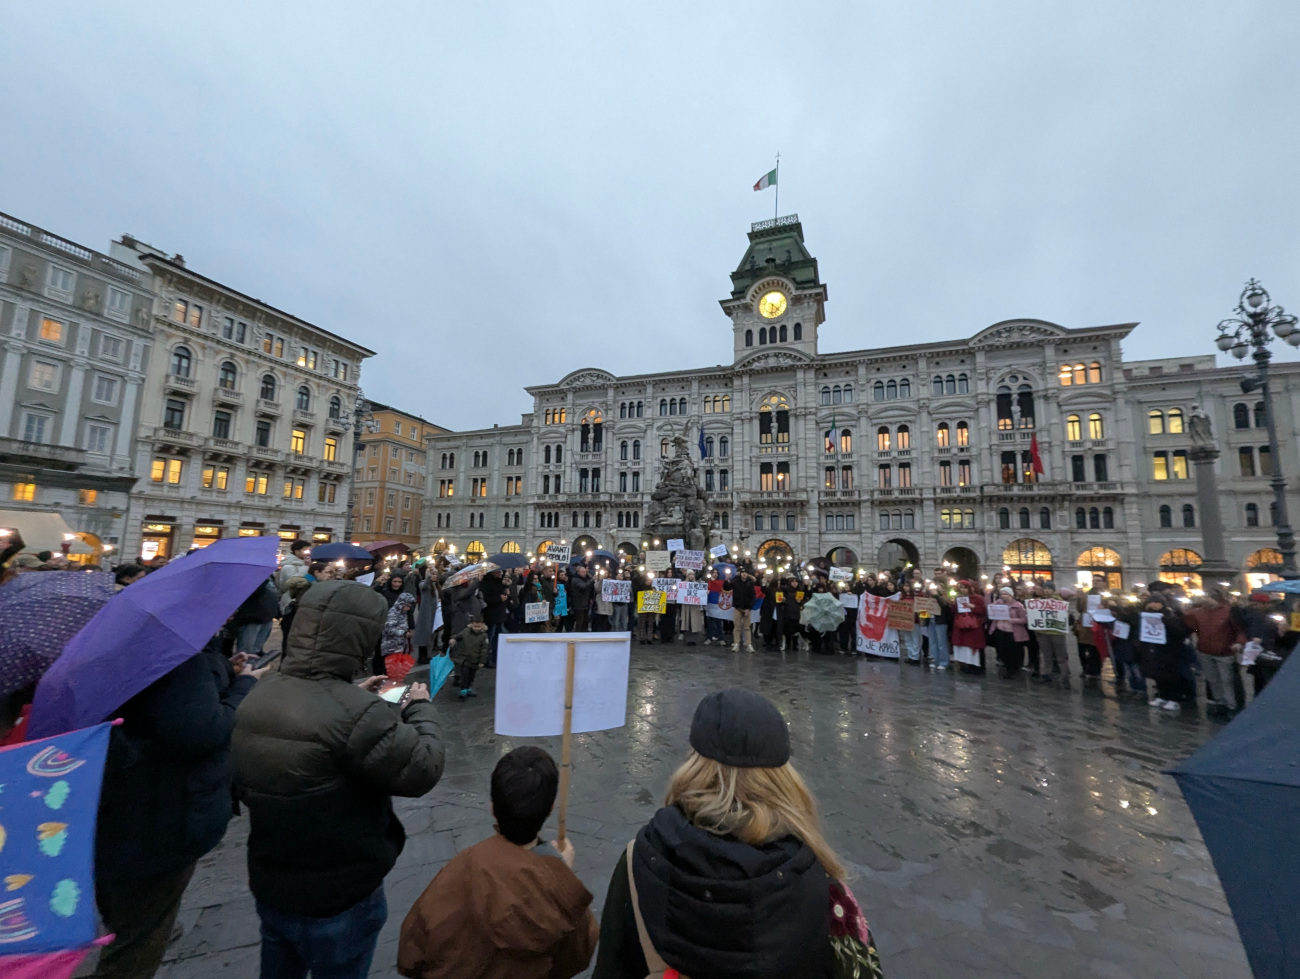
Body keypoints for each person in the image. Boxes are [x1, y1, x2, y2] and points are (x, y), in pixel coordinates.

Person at [233, 581, 445, 979]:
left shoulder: (260, 692)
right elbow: (424, 767)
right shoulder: (358, 714)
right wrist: (420, 708)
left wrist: (347, 692)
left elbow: (314, 715)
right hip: (339, 888)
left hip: (272, 880)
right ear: (358, 637)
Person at [592, 688, 882, 979]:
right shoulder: (824, 889)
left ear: (693, 761)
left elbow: (611, 967)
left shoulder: (640, 861)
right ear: (783, 774)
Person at [92, 629, 260, 979]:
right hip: (161, 812)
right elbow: (202, 730)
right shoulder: (178, 659)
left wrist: (222, 669)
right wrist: (246, 685)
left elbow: (171, 706)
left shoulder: (113, 648)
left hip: (118, 804)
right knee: (139, 937)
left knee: (131, 907)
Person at [397, 747, 598, 978]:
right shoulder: (564, 896)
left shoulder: (458, 872)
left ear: (493, 808)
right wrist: (560, 873)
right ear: (550, 808)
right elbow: (577, 957)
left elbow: (410, 955)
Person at [1186, 587, 1243, 716]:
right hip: (1205, 650)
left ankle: (1231, 705)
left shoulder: (1228, 611)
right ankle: (1220, 703)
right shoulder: (1198, 612)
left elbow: (1239, 629)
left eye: (1208, 598)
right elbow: (1191, 626)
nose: (1205, 600)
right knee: (1213, 680)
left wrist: (1239, 642)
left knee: (1227, 680)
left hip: (1225, 651)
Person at [232, 574, 280, 655]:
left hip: (267, 616)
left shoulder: (269, 576)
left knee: (256, 650)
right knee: (245, 651)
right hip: (252, 618)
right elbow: (247, 593)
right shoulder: (251, 575)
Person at [989, 586, 1028, 678]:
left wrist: (1012, 620)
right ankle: (1007, 669)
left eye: (1006, 594)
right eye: (1002, 594)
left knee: (1013, 652)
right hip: (1001, 630)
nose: (1003, 596)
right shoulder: (998, 603)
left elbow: (1024, 620)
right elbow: (990, 608)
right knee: (1003, 651)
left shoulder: (1018, 605)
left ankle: (1014, 670)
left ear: (1011, 595)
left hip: (1013, 632)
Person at [950, 580, 987, 672]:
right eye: (961, 588)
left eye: (965, 588)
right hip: (961, 625)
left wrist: (973, 607)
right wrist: (953, 604)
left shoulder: (977, 598)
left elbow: (983, 610)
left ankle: (976, 666)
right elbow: (954, 611)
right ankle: (965, 664)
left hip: (973, 626)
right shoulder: (958, 598)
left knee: (973, 645)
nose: (963, 590)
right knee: (963, 646)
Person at [450, 617, 490, 700]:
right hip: (465, 659)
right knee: (464, 676)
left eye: (478, 627)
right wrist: (453, 639)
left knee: (471, 676)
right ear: (471, 625)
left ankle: (468, 688)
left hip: (475, 660)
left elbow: (484, 650)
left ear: (482, 625)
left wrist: (482, 661)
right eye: (475, 626)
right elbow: (458, 636)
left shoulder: (484, 636)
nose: (476, 628)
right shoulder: (466, 631)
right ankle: (463, 689)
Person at [566, 564, 594, 632]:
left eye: (585, 572)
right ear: (578, 572)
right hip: (578, 604)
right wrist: (592, 580)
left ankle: (584, 633)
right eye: (583, 572)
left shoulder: (586, 578)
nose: (585, 573)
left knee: (585, 621)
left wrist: (589, 576)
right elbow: (583, 587)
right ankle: (578, 634)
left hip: (585, 603)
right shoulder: (575, 580)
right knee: (579, 622)